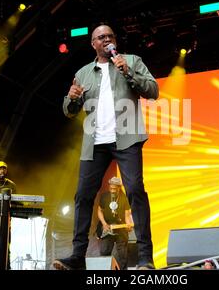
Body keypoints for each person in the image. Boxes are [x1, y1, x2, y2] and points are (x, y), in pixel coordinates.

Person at [54, 24, 158, 270]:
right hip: (95, 142)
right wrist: (71, 98)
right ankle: (77, 257)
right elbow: (70, 111)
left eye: (110, 36)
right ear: (93, 44)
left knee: (135, 191)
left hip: (126, 138)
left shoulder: (131, 60)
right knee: (82, 196)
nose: (106, 39)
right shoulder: (83, 73)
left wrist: (129, 71)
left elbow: (153, 90)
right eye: (101, 37)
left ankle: (145, 257)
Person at [96, 177, 133, 270]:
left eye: (114, 189)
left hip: (120, 229)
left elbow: (127, 215)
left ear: (119, 188)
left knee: (122, 255)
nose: (112, 190)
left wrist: (128, 225)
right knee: (104, 252)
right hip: (107, 228)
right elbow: (99, 211)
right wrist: (104, 223)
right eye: (111, 188)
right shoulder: (104, 196)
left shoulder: (124, 198)